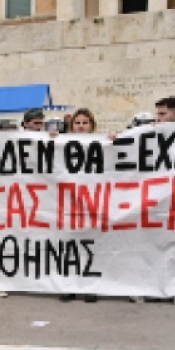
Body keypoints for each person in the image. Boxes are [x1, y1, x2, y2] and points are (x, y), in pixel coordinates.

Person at [59, 110, 100, 303]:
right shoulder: (61, 144)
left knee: (90, 245)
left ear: (92, 125)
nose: (81, 126)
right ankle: (69, 285)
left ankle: (90, 285)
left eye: (85, 123)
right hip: (68, 202)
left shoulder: (101, 144)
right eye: (77, 123)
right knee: (69, 245)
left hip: (92, 202)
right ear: (71, 126)